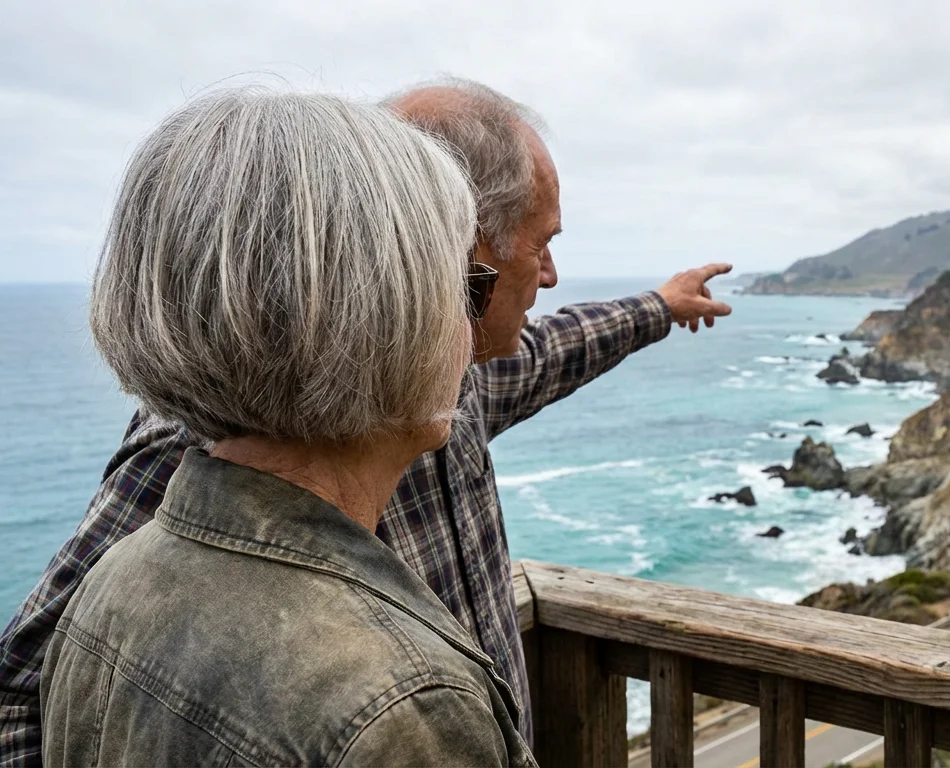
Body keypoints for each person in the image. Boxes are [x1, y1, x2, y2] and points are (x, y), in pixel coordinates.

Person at [0, 79, 732, 765]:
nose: (550, 275)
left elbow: (549, 351)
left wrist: (660, 306)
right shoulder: (217, 435)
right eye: (541, 243)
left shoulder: (453, 381)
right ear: (451, 244)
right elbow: (24, 691)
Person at [39, 87, 533, 766]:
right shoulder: (408, 707)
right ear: (383, 315)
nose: (470, 329)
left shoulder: (112, 584)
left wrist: (659, 304)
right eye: (462, 287)